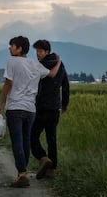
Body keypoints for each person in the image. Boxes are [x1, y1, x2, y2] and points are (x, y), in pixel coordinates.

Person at [0, 36, 61, 188]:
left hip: (15, 108)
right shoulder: (34, 63)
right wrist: (58, 62)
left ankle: (22, 173)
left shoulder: (11, 61)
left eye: (12, 46)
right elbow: (52, 74)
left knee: (17, 140)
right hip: (30, 109)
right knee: (25, 140)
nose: (9, 48)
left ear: (19, 48)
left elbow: (8, 83)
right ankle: (22, 172)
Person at [31, 40, 70, 179]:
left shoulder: (40, 65)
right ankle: (52, 170)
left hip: (41, 107)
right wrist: (64, 104)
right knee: (51, 138)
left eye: (40, 52)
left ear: (47, 52)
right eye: (36, 52)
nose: (37, 54)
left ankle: (43, 158)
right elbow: (65, 85)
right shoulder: (61, 65)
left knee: (32, 136)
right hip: (55, 108)